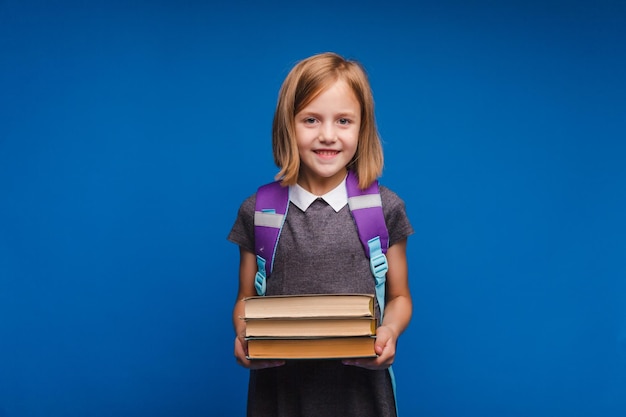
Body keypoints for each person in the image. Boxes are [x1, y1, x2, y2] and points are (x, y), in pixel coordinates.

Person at [228, 52, 414, 417]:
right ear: (288, 125)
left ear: (362, 128)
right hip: (279, 397)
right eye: (311, 120)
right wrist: (244, 336)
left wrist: (389, 331)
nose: (327, 135)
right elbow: (245, 299)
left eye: (343, 121)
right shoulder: (259, 212)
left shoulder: (384, 208)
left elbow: (401, 296)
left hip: (362, 397)